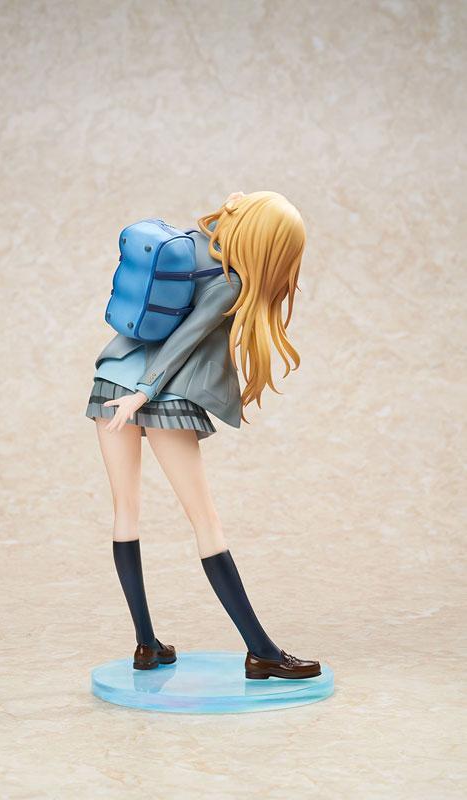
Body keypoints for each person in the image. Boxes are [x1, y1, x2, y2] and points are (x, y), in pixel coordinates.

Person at [85, 190, 321, 680]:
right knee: (205, 522)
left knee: (125, 511)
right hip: (161, 397)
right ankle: (262, 651)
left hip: (110, 380)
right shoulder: (230, 281)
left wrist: (130, 392)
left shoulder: (186, 245)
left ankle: (146, 645)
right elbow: (184, 339)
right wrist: (144, 394)